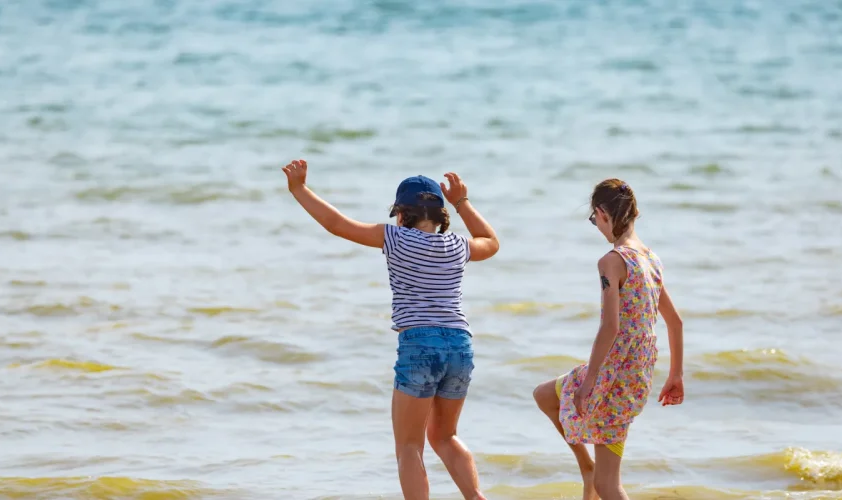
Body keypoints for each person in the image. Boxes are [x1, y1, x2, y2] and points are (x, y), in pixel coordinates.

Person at [281, 159, 500, 500]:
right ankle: (477, 497)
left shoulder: (395, 238)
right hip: (460, 345)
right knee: (444, 436)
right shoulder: (458, 246)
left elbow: (336, 224)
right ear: (441, 216)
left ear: (401, 213)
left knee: (409, 446)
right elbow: (491, 240)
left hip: (419, 345)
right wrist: (462, 202)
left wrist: (300, 189)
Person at [531, 179, 685, 500]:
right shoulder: (651, 259)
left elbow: (610, 328)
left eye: (593, 220)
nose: (596, 227)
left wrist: (588, 384)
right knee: (546, 395)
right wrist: (675, 376)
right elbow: (675, 322)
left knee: (608, 486)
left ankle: (592, 474)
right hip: (637, 375)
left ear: (602, 213)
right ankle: (586, 467)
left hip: (612, 378)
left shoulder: (611, 262)